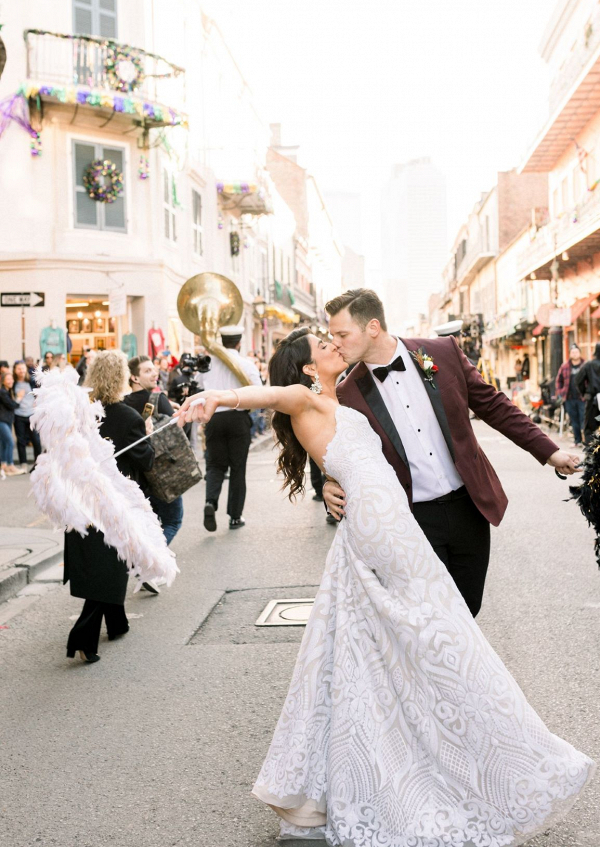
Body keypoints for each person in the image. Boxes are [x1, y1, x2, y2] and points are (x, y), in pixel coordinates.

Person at [176, 328, 594, 845]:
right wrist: (221, 396)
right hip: (383, 535)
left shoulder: (348, 390)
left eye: (336, 337)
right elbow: (270, 396)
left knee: (399, 652)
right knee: (444, 643)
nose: (333, 346)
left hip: (399, 527)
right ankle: (478, 762)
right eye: (323, 346)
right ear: (308, 369)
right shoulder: (305, 397)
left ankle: (433, 748)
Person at [321, 289, 578, 617]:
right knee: (434, 616)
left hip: (469, 508)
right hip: (412, 519)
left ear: (372, 327)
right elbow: (344, 449)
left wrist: (550, 452)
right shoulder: (348, 394)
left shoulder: (441, 353)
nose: (336, 343)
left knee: (469, 608)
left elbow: (493, 405)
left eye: (342, 334)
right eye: (332, 336)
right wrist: (331, 482)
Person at [64, 351, 154, 663]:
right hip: (114, 502)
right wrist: (148, 432)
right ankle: (83, 637)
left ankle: (117, 622)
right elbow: (147, 458)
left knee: (105, 562)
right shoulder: (129, 417)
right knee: (109, 567)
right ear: (121, 379)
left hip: (82, 499)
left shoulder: (80, 415)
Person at [197, 325, 263, 531]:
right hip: (238, 418)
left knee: (215, 465)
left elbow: (198, 390)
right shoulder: (246, 363)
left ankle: (210, 502)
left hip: (214, 418)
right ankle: (235, 517)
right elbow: (259, 392)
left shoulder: (208, 365)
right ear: (239, 342)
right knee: (237, 468)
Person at [124, 355, 184, 567]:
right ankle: (147, 564)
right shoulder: (159, 400)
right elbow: (178, 433)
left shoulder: (124, 404)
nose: (154, 373)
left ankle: (146, 565)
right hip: (162, 473)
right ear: (134, 377)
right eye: (147, 370)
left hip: (137, 476)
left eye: (154, 369)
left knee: (149, 523)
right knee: (173, 520)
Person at [12, 360, 42, 469]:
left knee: (36, 440)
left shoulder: (32, 381)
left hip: (31, 415)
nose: (21, 371)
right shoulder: (13, 383)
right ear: (15, 370)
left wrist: (37, 402)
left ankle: (38, 463)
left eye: (23, 368)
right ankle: (23, 464)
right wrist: (17, 398)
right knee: (21, 441)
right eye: (19, 368)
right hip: (18, 415)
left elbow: (40, 392)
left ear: (26, 369)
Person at [556, 343, 585, 446]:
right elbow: (558, 381)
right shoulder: (565, 366)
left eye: (576, 352)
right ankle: (577, 441)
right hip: (569, 398)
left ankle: (586, 442)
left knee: (584, 419)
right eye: (573, 352)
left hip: (583, 398)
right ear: (570, 354)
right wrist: (560, 392)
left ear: (580, 353)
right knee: (574, 420)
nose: (575, 354)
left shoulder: (585, 365)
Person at [0, 370, 27, 477]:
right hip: (2, 421)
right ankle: (10, 465)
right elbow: (13, 405)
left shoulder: (7, 391)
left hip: (7, 421)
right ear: (3, 381)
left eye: (11, 379)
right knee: (10, 442)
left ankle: (4, 465)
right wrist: (19, 398)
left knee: (4, 443)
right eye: (8, 379)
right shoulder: (2, 392)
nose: (11, 381)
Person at [575, 342, 600, 446]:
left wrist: (585, 392)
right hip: (593, 398)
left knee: (589, 429)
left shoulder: (589, 365)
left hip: (592, 399)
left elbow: (578, 380)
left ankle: (591, 456)